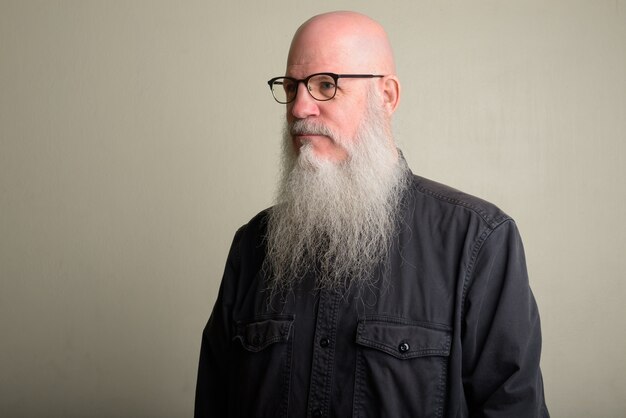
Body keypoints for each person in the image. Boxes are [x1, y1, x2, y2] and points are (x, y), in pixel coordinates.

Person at [195, 11, 549, 418]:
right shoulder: (251, 245)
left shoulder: (479, 240)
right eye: (291, 87)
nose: (298, 108)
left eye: (325, 85)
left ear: (387, 96)